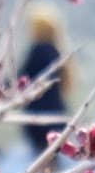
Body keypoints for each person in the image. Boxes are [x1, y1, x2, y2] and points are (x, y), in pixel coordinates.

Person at [17, 8, 71, 159]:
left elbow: (23, 78)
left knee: (43, 160)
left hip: (38, 116)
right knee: (52, 158)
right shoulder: (56, 51)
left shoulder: (38, 50)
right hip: (56, 114)